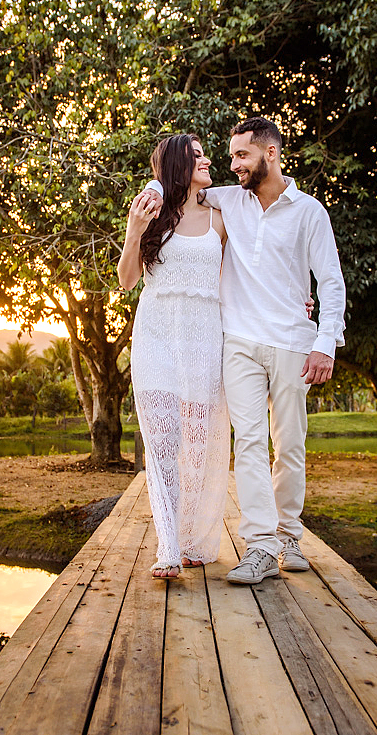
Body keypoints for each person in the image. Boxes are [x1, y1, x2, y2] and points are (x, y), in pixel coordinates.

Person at [139, 116, 346, 585]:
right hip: (237, 342)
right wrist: (152, 187)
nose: (232, 164)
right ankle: (258, 547)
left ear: (269, 155)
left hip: (294, 341)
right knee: (249, 443)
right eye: (229, 156)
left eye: (241, 156)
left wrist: (325, 343)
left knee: (289, 445)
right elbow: (168, 183)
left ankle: (289, 536)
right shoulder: (224, 200)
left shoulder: (310, 211)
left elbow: (331, 283)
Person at [118, 133, 231, 579]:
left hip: (205, 339)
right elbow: (127, 280)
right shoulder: (151, 212)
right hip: (157, 336)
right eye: (198, 155)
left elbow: (244, 277)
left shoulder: (221, 217)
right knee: (164, 444)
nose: (207, 161)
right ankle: (167, 546)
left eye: (206, 154)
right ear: (178, 166)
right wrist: (133, 232)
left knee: (198, 446)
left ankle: (190, 538)